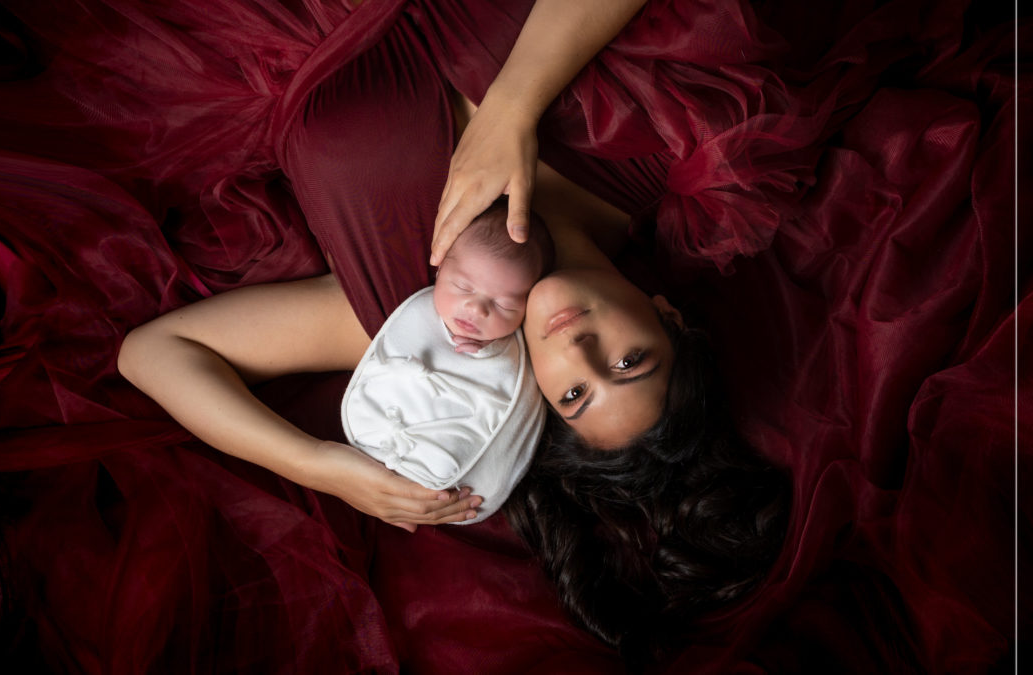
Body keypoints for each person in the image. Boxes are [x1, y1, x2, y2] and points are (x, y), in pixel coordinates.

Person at [118, 0, 788, 662]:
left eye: (574, 395)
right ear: (669, 315)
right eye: (628, 361)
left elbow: (153, 354)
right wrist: (513, 107)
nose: (578, 348)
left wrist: (318, 466)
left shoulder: (410, 321)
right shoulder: (679, 140)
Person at [341, 197, 553, 522]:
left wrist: (487, 353)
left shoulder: (514, 361)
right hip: (374, 439)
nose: (477, 309)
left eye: (505, 306)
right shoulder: (411, 313)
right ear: (439, 269)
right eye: (462, 286)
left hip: (454, 483)